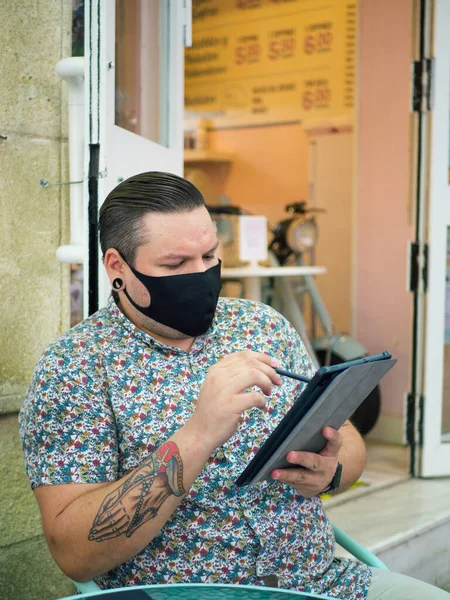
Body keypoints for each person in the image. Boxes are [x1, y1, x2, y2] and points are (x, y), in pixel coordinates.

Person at [19, 172, 449, 599]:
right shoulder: (74, 369)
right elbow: (73, 553)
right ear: (117, 266)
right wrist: (200, 434)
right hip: (186, 594)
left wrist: (331, 471)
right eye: (176, 264)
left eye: (209, 256)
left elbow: (346, 437)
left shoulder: (260, 324)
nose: (202, 274)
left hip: (321, 582)